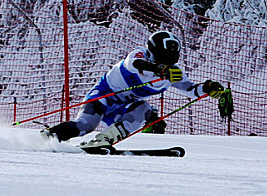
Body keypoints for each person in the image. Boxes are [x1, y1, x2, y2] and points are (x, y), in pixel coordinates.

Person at [42, 31, 224, 146]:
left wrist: (208, 88)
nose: (166, 64)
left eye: (170, 61)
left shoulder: (173, 73)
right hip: (103, 97)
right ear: (152, 52)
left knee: (146, 111)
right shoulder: (139, 54)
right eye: (161, 59)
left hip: (125, 106)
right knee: (85, 125)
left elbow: (191, 89)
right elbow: (134, 64)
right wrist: (158, 69)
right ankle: (47, 137)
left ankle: (103, 141)